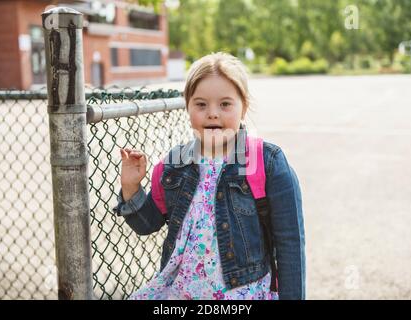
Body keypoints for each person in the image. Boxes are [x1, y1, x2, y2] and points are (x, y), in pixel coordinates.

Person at [113, 52, 305, 300]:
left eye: (225, 104)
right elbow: (146, 224)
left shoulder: (266, 162)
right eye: (201, 104)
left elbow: (291, 244)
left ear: (243, 107)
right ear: (188, 107)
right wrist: (131, 187)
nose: (212, 113)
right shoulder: (174, 165)